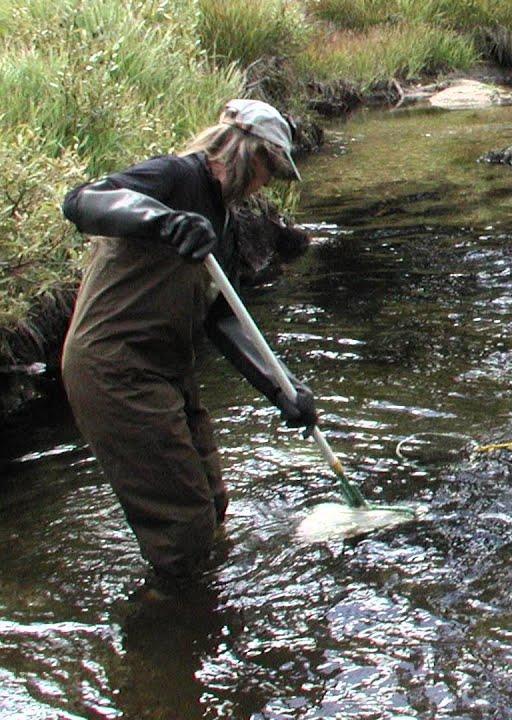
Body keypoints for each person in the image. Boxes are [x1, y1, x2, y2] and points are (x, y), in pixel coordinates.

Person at [61, 99, 317, 586]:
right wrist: (163, 222)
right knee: (183, 525)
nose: (265, 184)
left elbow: (224, 318)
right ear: (246, 152)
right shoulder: (174, 177)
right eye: (268, 169)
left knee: (211, 503)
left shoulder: (224, 224)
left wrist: (282, 390)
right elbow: (82, 201)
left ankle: (193, 598)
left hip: (167, 373)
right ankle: (170, 626)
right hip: (114, 368)